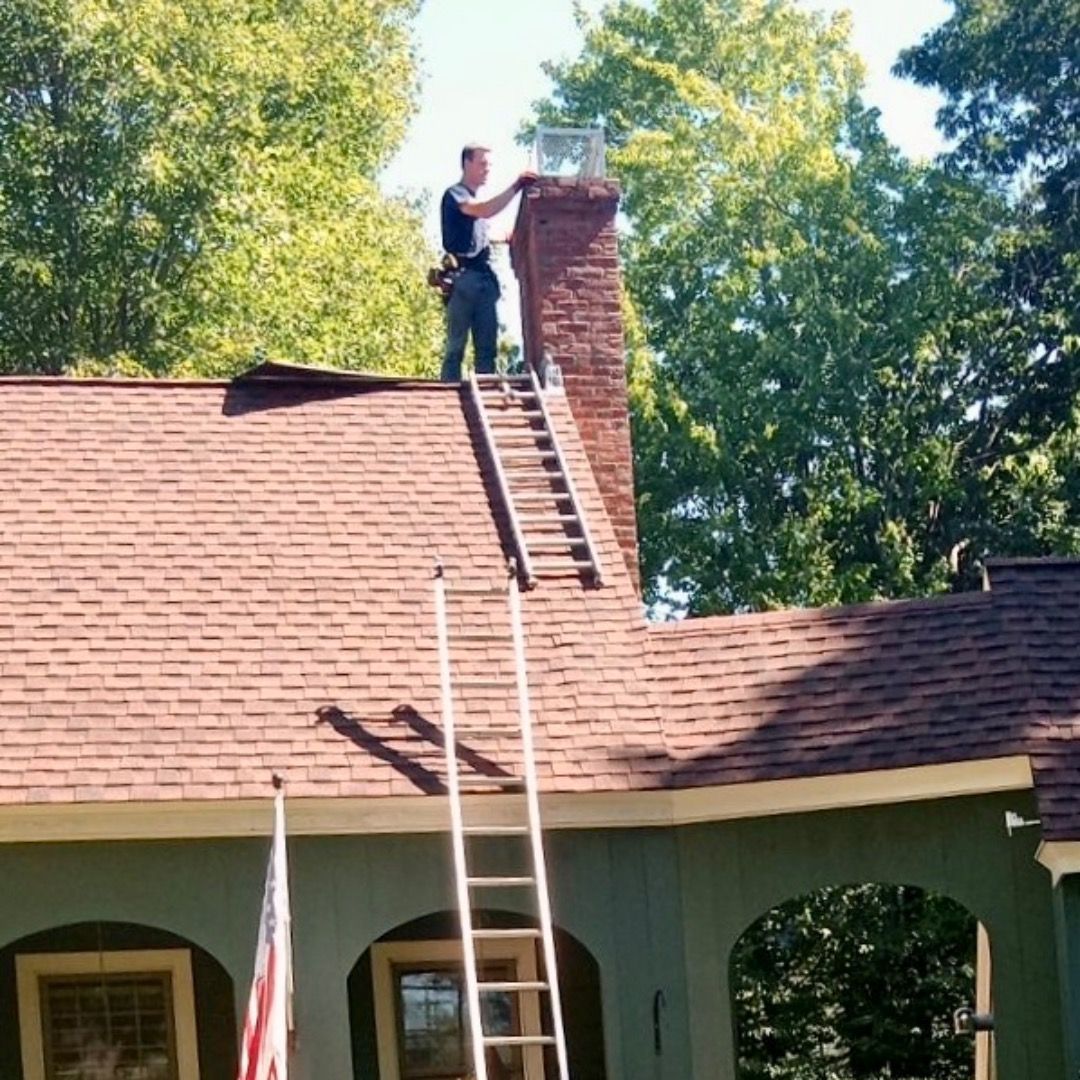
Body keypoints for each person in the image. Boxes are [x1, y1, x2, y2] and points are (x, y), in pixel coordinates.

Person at [439, 144, 536, 382]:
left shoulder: (475, 205)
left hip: (483, 279)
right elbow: (484, 211)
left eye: (489, 165)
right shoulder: (456, 195)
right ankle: (449, 396)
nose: (487, 170)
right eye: (482, 164)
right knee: (455, 348)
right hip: (463, 279)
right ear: (466, 164)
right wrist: (516, 187)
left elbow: (484, 233)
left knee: (487, 351)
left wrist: (510, 236)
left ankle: (486, 392)